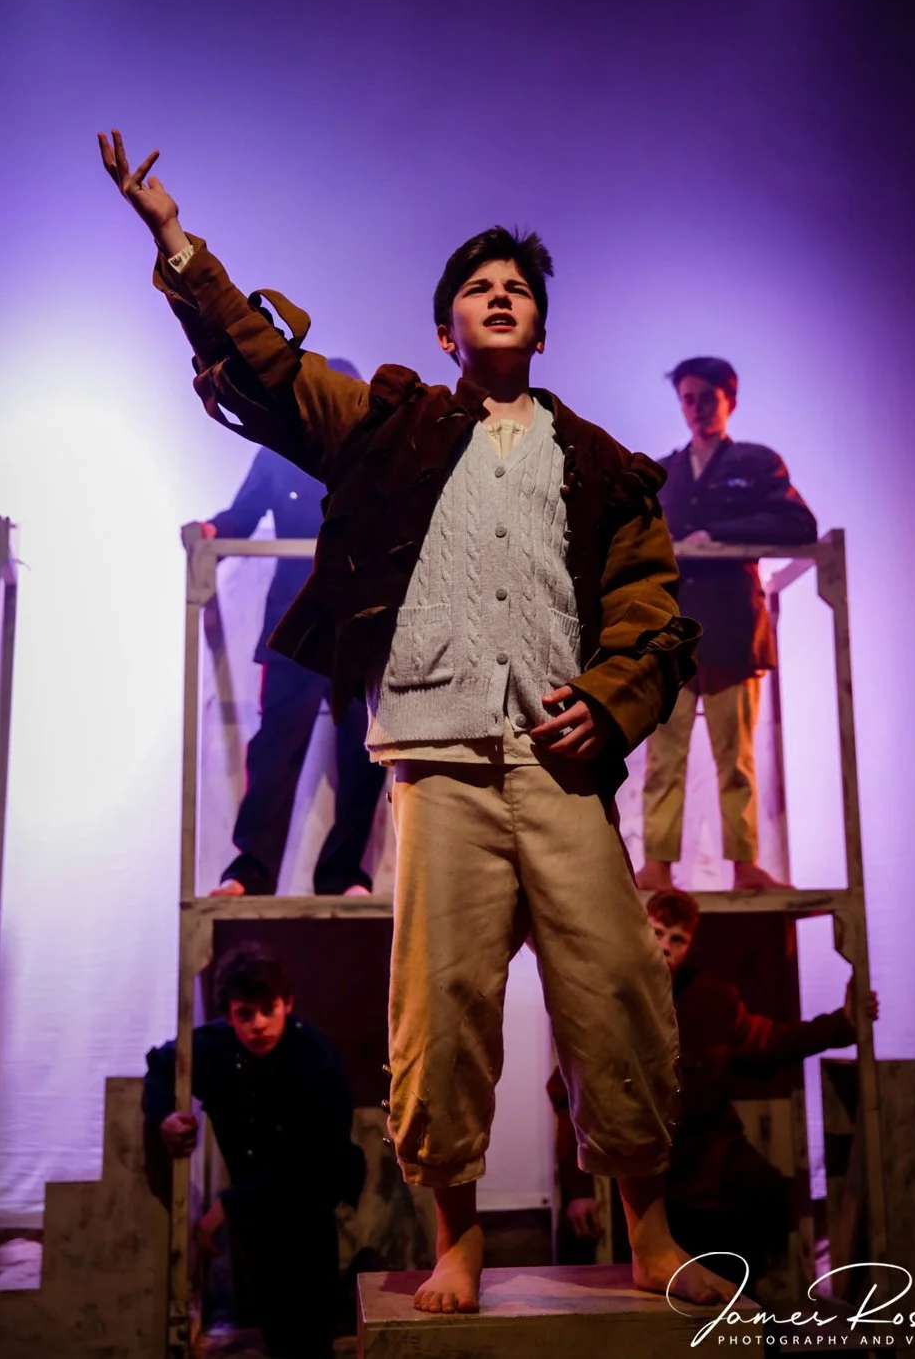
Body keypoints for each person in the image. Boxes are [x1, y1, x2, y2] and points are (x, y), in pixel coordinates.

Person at [99, 128, 737, 1315]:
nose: (499, 297)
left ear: (540, 328)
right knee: (439, 1006)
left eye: (517, 289)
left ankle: (650, 1237)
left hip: (557, 764)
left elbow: (650, 612)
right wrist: (179, 247)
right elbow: (273, 370)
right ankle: (457, 1241)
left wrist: (608, 704)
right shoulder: (391, 425)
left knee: (617, 991)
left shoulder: (601, 466)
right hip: (438, 762)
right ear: (447, 330)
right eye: (477, 288)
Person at [549, 890, 879, 1292]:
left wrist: (842, 1023)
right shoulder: (610, 998)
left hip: (706, 1158)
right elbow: (570, 1094)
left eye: (677, 939)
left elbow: (767, 1042)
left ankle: (743, 1302)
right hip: (641, 1164)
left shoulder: (711, 996)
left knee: (764, 1195)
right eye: (657, 933)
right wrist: (580, 1191)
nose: (665, 947)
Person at [638, 356, 818, 893]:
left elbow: (798, 523)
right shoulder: (663, 473)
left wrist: (717, 534)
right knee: (663, 758)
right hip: (672, 637)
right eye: (688, 399)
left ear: (729, 400)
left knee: (735, 759)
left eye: (707, 398)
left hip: (733, 631)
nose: (696, 409)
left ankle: (744, 866)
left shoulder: (756, 464)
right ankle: (657, 866)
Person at [185, 424, 387, 897]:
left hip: (359, 626)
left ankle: (342, 873)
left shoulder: (375, 449)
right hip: (294, 625)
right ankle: (252, 870)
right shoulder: (280, 451)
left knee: (366, 751)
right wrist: (211, 532)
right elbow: (243, 514)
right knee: (275, 747)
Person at [143, 942, 365, 1359]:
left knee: (311, 1327)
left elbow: (312, 1158)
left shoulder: (315, 1057)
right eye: (246, 1014)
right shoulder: (215, 1046)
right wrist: (164, 1118)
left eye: (269, 1010)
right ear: (229, 1015)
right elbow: (160, 1064)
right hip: (255, 1212)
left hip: (310, 1200)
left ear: (288, 1004)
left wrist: (223, 1207)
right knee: (273, 1324)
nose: (259, 1024)